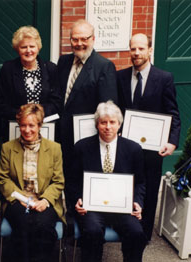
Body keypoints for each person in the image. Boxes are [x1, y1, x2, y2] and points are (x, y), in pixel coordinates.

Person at [117, 33, 181, 241]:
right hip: (126, 146)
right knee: (126, 186)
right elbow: (117, 109)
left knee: (150, 188)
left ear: (150, 50)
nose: (136, 53)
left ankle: (143, 235)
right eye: (133, 49)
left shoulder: (164, 78)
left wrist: (172, 141)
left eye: (141, 49)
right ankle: (125, 228)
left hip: (152, 148)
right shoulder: (121, 76)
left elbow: (173, 113)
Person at [68, 101, 147, 262]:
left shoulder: (133, 149)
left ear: (119, 124)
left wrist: (137, 202)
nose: (108, 127)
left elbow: (140, 182)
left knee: (136, 233)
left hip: (121, 206)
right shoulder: (82, 147)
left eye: (112, 122)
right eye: (103, 122)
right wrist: (77, 199)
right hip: (92, 207)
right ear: (97, 124)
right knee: (92, 231)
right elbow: (72, 181)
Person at [57, 19, 117, 199]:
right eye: (75, 39)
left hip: (86, 137)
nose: (79, 43)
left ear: (93, 39)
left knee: (81, 183)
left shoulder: (104, 66)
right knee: (64, 179)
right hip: (62, 135)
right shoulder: (63, 61)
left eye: (84, 39)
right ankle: (67, 221)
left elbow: (107, 107)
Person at [0, 104, 65, 262]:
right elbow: (3, 179)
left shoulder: (54, 148)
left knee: (43, 228)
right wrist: (23, 199)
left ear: (40, 125)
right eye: (23, 125)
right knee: (24, 226)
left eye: (31, 125)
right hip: (17, 201)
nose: (27, 130)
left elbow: (58, 181)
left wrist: (46, 200)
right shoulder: (8, 148)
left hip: (44, 200)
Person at [0, 26, 61, 141]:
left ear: (38, 48)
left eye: (32, 46)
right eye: (23, 47)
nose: (28, 50)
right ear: (17, 49)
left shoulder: (51, 69)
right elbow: (1, 103)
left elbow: (56, 101)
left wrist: (38, 115)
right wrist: (22, 115)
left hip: (45, 127)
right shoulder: (8, 69)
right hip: (16, 128)